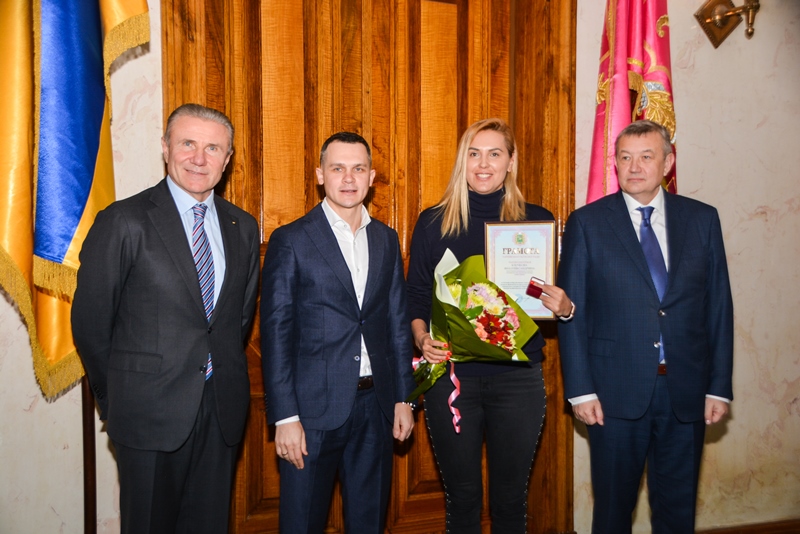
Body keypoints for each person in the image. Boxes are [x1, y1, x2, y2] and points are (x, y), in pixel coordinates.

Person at [72, 103, 261, 533]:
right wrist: (117, 402)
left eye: (213, 148)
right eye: (187, 143)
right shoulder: (124, 220)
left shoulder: (243, 227)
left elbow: (236, 319)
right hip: (146, 416)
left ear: (228, 159)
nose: (199, 158)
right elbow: (91, 323)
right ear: (165, 147)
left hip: (221, 414)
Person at [558, 120, 734, 533]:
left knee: (677, 513)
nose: (634, 167)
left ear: (668, 163)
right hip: (612, 395)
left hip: (686, 392)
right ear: (615, 163)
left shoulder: (702, 219)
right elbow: (572, 312)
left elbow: (718, 308)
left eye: (646, 157)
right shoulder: (587, 223)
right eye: (625, 157)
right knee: (612, 513)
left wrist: (718, 386)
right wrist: (581, 389)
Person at [406, 118, 574, 533]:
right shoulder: (433, 222)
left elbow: (553, 297)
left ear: (511, 162)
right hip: (453, 379)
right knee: (462, 499)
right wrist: (422, 337)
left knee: (510, 500)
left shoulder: (536, 222)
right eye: (474, 154)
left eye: (494, 154)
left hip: (517, 382)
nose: (483, 164)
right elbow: (415, 297)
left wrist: (565, 305)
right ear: (462, 161)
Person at [260, 131, 416, 533]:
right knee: (302, 523)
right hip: (310, 413)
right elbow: (275, 334)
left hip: (376, 408)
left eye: (358, 169)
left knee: (369, 523)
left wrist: (404, 398)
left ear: (371, 177)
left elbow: (397, 324)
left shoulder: (386, 239)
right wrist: (285, 416)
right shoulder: (291, 240)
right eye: (338, 168)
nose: (349, 178)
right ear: (320, 175)